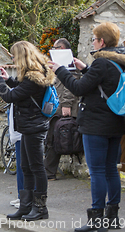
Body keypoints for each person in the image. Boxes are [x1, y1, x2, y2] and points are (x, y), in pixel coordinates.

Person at [49, 22, 125, 231]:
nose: (92, 42)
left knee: (97, 171)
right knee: (110, 171)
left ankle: (97, 220)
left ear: (102, 41)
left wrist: (61, 70)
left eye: (94, 39)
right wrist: (86, 68)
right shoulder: (121, 62)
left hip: (96, 125)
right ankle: (112, 217)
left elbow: (78, 88)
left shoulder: (102, 62)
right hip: (115, 123)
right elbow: (104, 83)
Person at [0, 40, 55, 221]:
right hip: (28, 126)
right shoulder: (32, 76)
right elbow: (22, 92)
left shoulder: (34, 77)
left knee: (36, 167)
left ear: (21, 56)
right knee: (26, 167)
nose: (12, 58)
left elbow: (10, 96)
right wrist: (7, 79)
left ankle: (41, 209)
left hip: (34, 127)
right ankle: (25, 207)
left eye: (13, 55)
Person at [45, 38, 80, 180]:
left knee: (55, 140)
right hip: (54, 108)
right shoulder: (56, 64)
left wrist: (66, 103)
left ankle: (48, 173)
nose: (53, 50)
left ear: (63, 48)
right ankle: (48, 172)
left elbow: (71, 84)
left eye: (56, 47)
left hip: (63, 108)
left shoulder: (71, 63)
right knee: (51, 139)